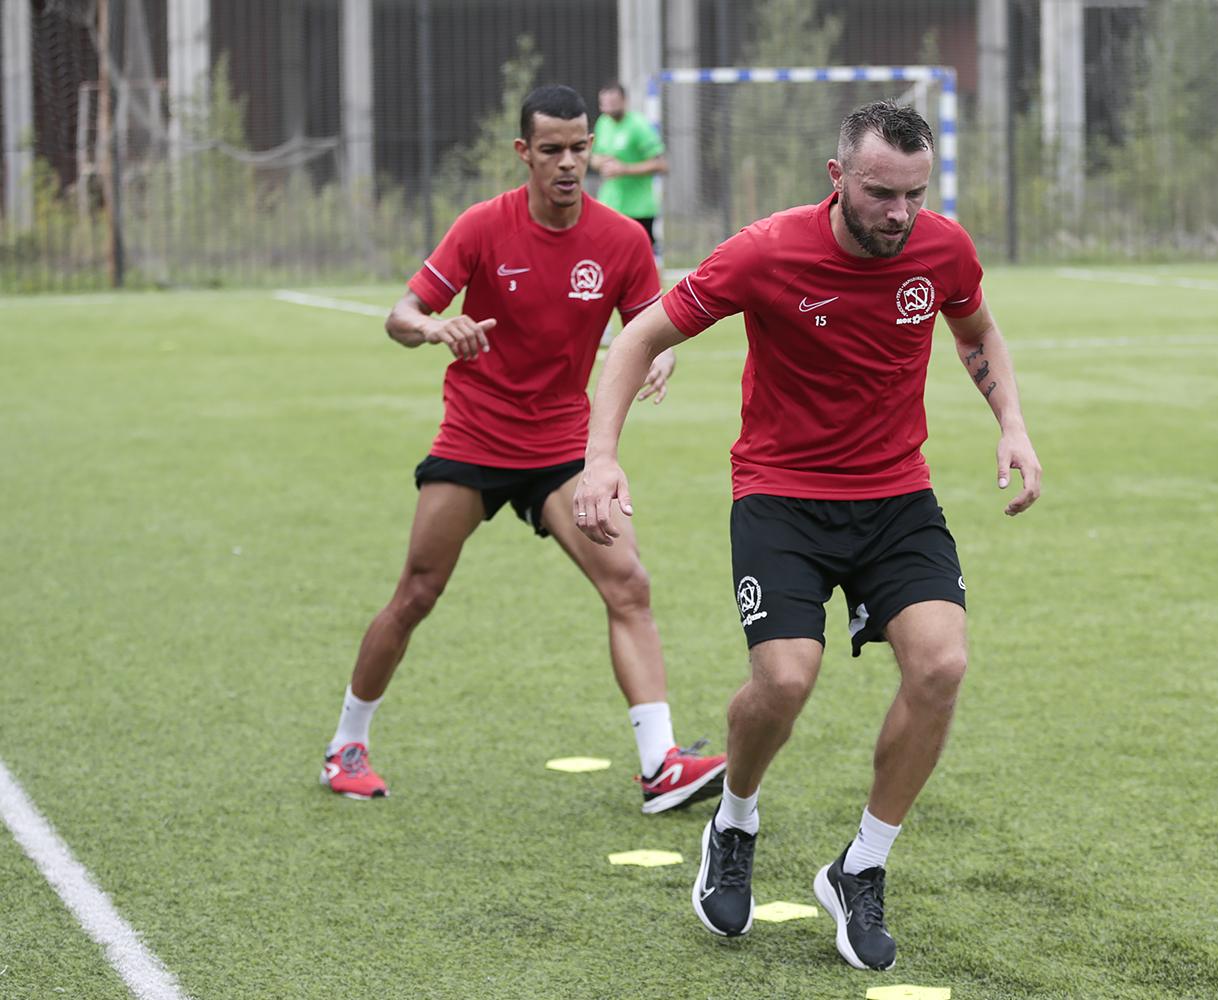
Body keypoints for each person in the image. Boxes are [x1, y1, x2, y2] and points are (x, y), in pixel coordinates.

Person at [573, 101, 1042, 971]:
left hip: (896, 496)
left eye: (914, 195)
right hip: (781, 497)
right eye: (880, 194)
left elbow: (976, 330)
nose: (899, 214)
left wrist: (1011, 423)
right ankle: (735, 819)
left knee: (941, 665)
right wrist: (601, 459)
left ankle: (861, 866)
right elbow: (639, 337)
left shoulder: (943, 248)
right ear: (837, 178)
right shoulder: (766, 252)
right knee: (785, 679)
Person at [320, 85, 725, 816]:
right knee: (417, 592)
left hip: (564, 446)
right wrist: (435, 328)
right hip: (476, 435)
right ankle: (346, 745)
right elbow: (401, 314)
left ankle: (661, 765)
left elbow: (650, 330)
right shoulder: (482, 226)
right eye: (552, 150)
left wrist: (663, 357)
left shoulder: (622, 241)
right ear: (524, 153)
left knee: (628, 584)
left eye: (579, 148)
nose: (569, 163)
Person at [593, 82, 668, 258]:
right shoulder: (602, 123)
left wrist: (624, 169)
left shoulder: (639, 125)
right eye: (604, 104)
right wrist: (601, 163)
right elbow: (594, 157)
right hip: (610, 205)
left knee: (641, 259)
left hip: (639, 209)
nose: (608, 108)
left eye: (613, 103)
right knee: (609, 257)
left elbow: (661, 164)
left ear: (624, 101)